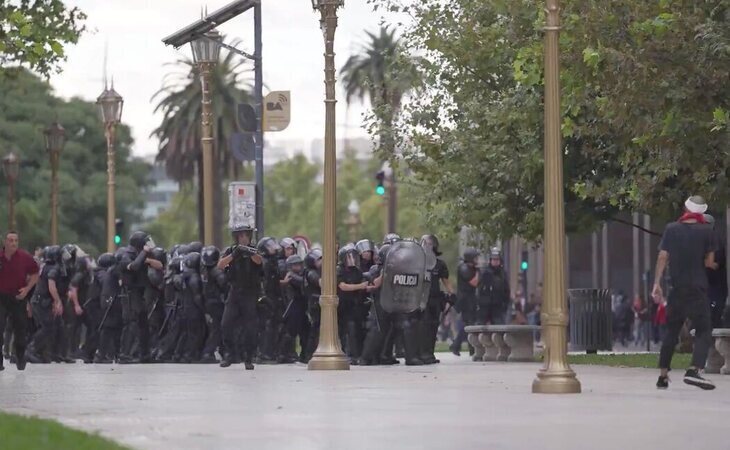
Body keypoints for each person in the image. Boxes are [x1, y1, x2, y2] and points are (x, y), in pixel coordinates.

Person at [652, 195, 717, 390]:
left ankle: (663, 376)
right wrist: (713, 264)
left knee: (672, 331)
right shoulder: (707, 231)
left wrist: (657, 283)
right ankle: (694, 369)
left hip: (676, 288)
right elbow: (708, 262)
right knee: (704, 330)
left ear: (685, 208)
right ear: (703, 212)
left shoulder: (672, 229)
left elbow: (663, 256)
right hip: (697, 288)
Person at [218, 225, 263, 370]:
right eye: (240, 236)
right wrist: (234, 255)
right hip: (234, 292)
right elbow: (220, 265)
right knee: (226, 323)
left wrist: (248, 252)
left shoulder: (254, 250)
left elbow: (259, 261)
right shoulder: (231, 250)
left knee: (250, 328)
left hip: (249, 293)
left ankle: (248, 357)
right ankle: (229, 354)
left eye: (245, 235)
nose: (243, 238)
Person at [0, 231, 40, 371]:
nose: (13, 243)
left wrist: (27, 289)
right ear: (5, 242)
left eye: (16, 240)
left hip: (18, 296)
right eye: (10, 240)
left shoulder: (24, 257)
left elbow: (36, 273)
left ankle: (20, 356)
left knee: (20, 330)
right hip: (2, 296)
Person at [418, 234, 453, 364]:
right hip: (421, 299)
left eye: (430, 243)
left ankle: (430, 354)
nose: (427, 246)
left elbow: (446, 282)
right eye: (425, 243)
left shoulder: (440, 264)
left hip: (435, 299)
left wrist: (451, 295)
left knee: (433, 326)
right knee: (423, 326)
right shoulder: (417, 262)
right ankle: (422, 353)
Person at [450, 248, 479, 357]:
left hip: (470, 300)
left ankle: (458, 346)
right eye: (475, 258)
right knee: (469, 324)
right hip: (465, 301)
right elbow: (474, 282)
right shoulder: (464, 268)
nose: (477, 260)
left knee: (468, 324)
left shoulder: (470, 268)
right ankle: (461, 346)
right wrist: (478, 272)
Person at [477, 248, 510, 325]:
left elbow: (506, 290)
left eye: (497, 259)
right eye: (494, 259)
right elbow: (480, 290)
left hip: (498, 307)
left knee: (499, 327)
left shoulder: (502, 274)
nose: (495, 261)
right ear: (490, 260)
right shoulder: (485, 273)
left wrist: (505, 304)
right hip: (485, 307)